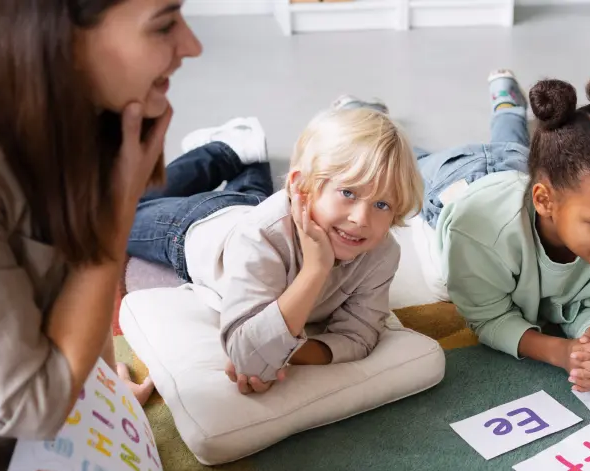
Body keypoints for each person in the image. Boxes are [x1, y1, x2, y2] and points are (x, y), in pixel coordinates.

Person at [0, 0, 201, 456]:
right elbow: (35, 406)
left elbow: (77, 266)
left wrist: (103, 386)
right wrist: (118, 212)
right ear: (60, 39)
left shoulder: (77, 113)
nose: (192, 46)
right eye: (165, 24)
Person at [126, 104, 422, 395]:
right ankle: (220, 152)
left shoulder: (382, 252)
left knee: (251, 196)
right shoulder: (259, 236)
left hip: (255, 209)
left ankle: (248, 156)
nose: (361, 219)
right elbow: (248, 353)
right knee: (117, 213)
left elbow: (358, 336)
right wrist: (315, 269)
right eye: (348, 192)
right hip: (197, 224)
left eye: (381, 204)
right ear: (300, 189)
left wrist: (283, 351)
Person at [411, 70, 590, 392]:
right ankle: (360, 112)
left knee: (511, 145)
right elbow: (489, 319)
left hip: (516, 168)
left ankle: (507, 103)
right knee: (403, 160)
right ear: (544, 201)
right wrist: (560, 351)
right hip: (456, 181)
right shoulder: (478, 234)